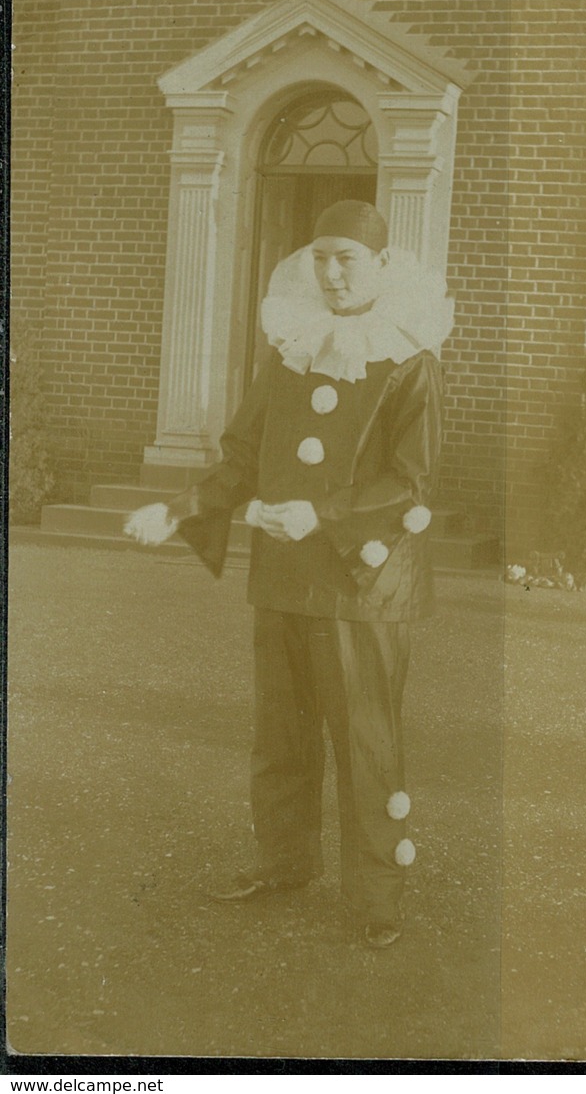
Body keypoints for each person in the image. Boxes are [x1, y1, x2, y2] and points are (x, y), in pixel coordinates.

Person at [125, 201, 453, 948]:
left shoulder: (409, 358)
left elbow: (413, 481)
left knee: (366, 738)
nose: (333, 274)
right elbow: (243, 455)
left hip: (363, 584)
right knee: (281, 732)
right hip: (284, 575)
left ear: (379, 265)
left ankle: (378, 895)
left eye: (348, 259)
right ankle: (283, 862)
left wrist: (324, 516)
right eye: (321, 259)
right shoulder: (291, 350)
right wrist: (181, 508)